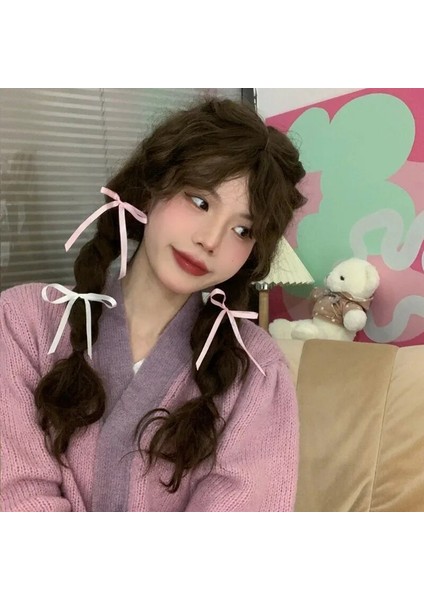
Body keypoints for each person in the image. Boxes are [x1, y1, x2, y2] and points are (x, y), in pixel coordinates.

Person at [0, 97, 306, 511]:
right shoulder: (23, 322)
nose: (210, 240)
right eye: (200, 202)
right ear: (151, 188)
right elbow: (16, 499)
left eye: (242, 230)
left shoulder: (256, 371)